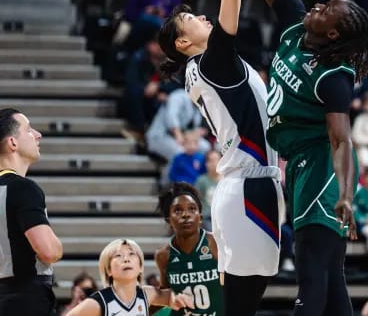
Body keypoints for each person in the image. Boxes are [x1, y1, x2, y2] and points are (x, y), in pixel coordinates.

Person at [225, 0, 368, 316]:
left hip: (323, 168)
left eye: (329, 10)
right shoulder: (296, 25)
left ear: (332, 35)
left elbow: (341, 139)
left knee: (312, 276)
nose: (319, 4)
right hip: (303, 164)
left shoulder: (334, 77)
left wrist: (346, 195)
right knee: (332, 283)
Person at [157, 0, 283, 315]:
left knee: (243, 301)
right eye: (191, 19)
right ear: (183, 43)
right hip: (248, 189)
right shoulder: (212, 63)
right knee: (242, 304)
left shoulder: (207, 68)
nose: (202, 16)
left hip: (249, 187)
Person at [0, 109, 62, 316]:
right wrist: (57, 245)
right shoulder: (23, 188)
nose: (38, 134)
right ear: (13, 143)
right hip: (26, 300)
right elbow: (49, 251)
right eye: (28, 130)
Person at [64, 239, 193, 316]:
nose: (126, 259)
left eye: (131, 254)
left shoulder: (147, 294)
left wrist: (178, 297)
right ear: (108, 270)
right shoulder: (97, 303)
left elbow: (171, 296)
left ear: (140, 267)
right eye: (118, 255)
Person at [154, 183, 223, 316]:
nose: (186, 214)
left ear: (200, 217)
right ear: (169, 220)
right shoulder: (163, 255)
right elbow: (165, 295)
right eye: (178, 210)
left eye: (192, 209)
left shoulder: (215, 242)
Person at [194, 150, 221, 228]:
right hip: (208, 217)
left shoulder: (227, 180)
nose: (214, 163)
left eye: (217, 160)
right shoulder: (201, 181)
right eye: (212, 161)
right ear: (206, 163)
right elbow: (196, 201)